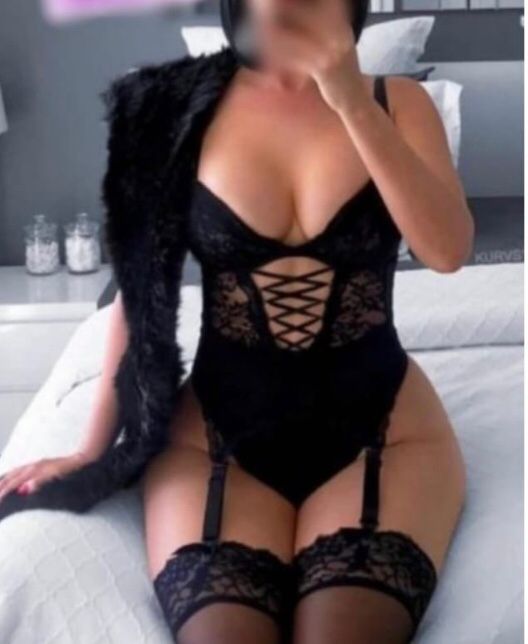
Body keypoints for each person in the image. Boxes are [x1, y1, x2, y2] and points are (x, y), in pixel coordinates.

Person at [0, 1, 474, 642]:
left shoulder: (399, 103)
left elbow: (447, 250)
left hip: (385, 435)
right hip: (216, 442)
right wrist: (91, 450)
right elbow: (139, 295)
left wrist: (352, 103)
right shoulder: (172, 111)